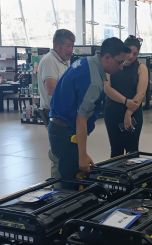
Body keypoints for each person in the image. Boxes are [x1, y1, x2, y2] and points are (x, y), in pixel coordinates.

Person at [48, 37, 130, 187]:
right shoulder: (94, 82)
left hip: (58, 127)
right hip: (66, 133)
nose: (121, 67)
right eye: (119, 62)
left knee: (65, 178)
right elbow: (81, 120)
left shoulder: (87, 62)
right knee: (70, 186)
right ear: (107, 57)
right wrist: (82, 155)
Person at [38, 29, 75, 179]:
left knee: (65, 152)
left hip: (65, 114)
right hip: (54, 114)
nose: (70, 50)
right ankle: (57, 190)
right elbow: (52, 88)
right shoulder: (49, 61)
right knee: (57, 154)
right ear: (56, 44)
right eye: (67, 46)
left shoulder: (65, 61)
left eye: (72, 46)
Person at [104, 35, 148, 158]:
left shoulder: (141, 68)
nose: (131, 56)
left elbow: (141, 93)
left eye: (135, 54)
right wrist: (125, 101)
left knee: (132, 150)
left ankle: (133, 177)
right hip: (113, 111)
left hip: (133, 112)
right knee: (116, 149)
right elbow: (107, 88)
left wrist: (129, 112)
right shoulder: (112, 65)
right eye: (129, 52)